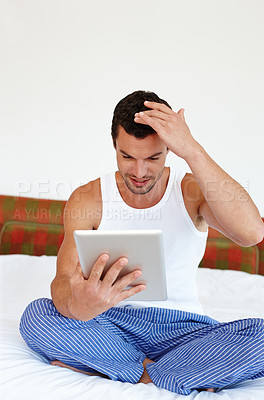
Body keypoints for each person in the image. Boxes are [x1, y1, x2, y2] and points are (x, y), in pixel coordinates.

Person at [20, 90, 264, 395]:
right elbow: (62, 282)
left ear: (169, 149)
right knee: (37, 315)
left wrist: (193, 150)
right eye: (127, 157)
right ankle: (172, 373)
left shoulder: (191, 190)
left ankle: (121, 368)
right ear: (114, 146)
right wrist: (78, 306)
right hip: (110, 323)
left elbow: (252, 233)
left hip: (185, 331)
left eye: (153, 158)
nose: (139, 172)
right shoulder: (89, 198)